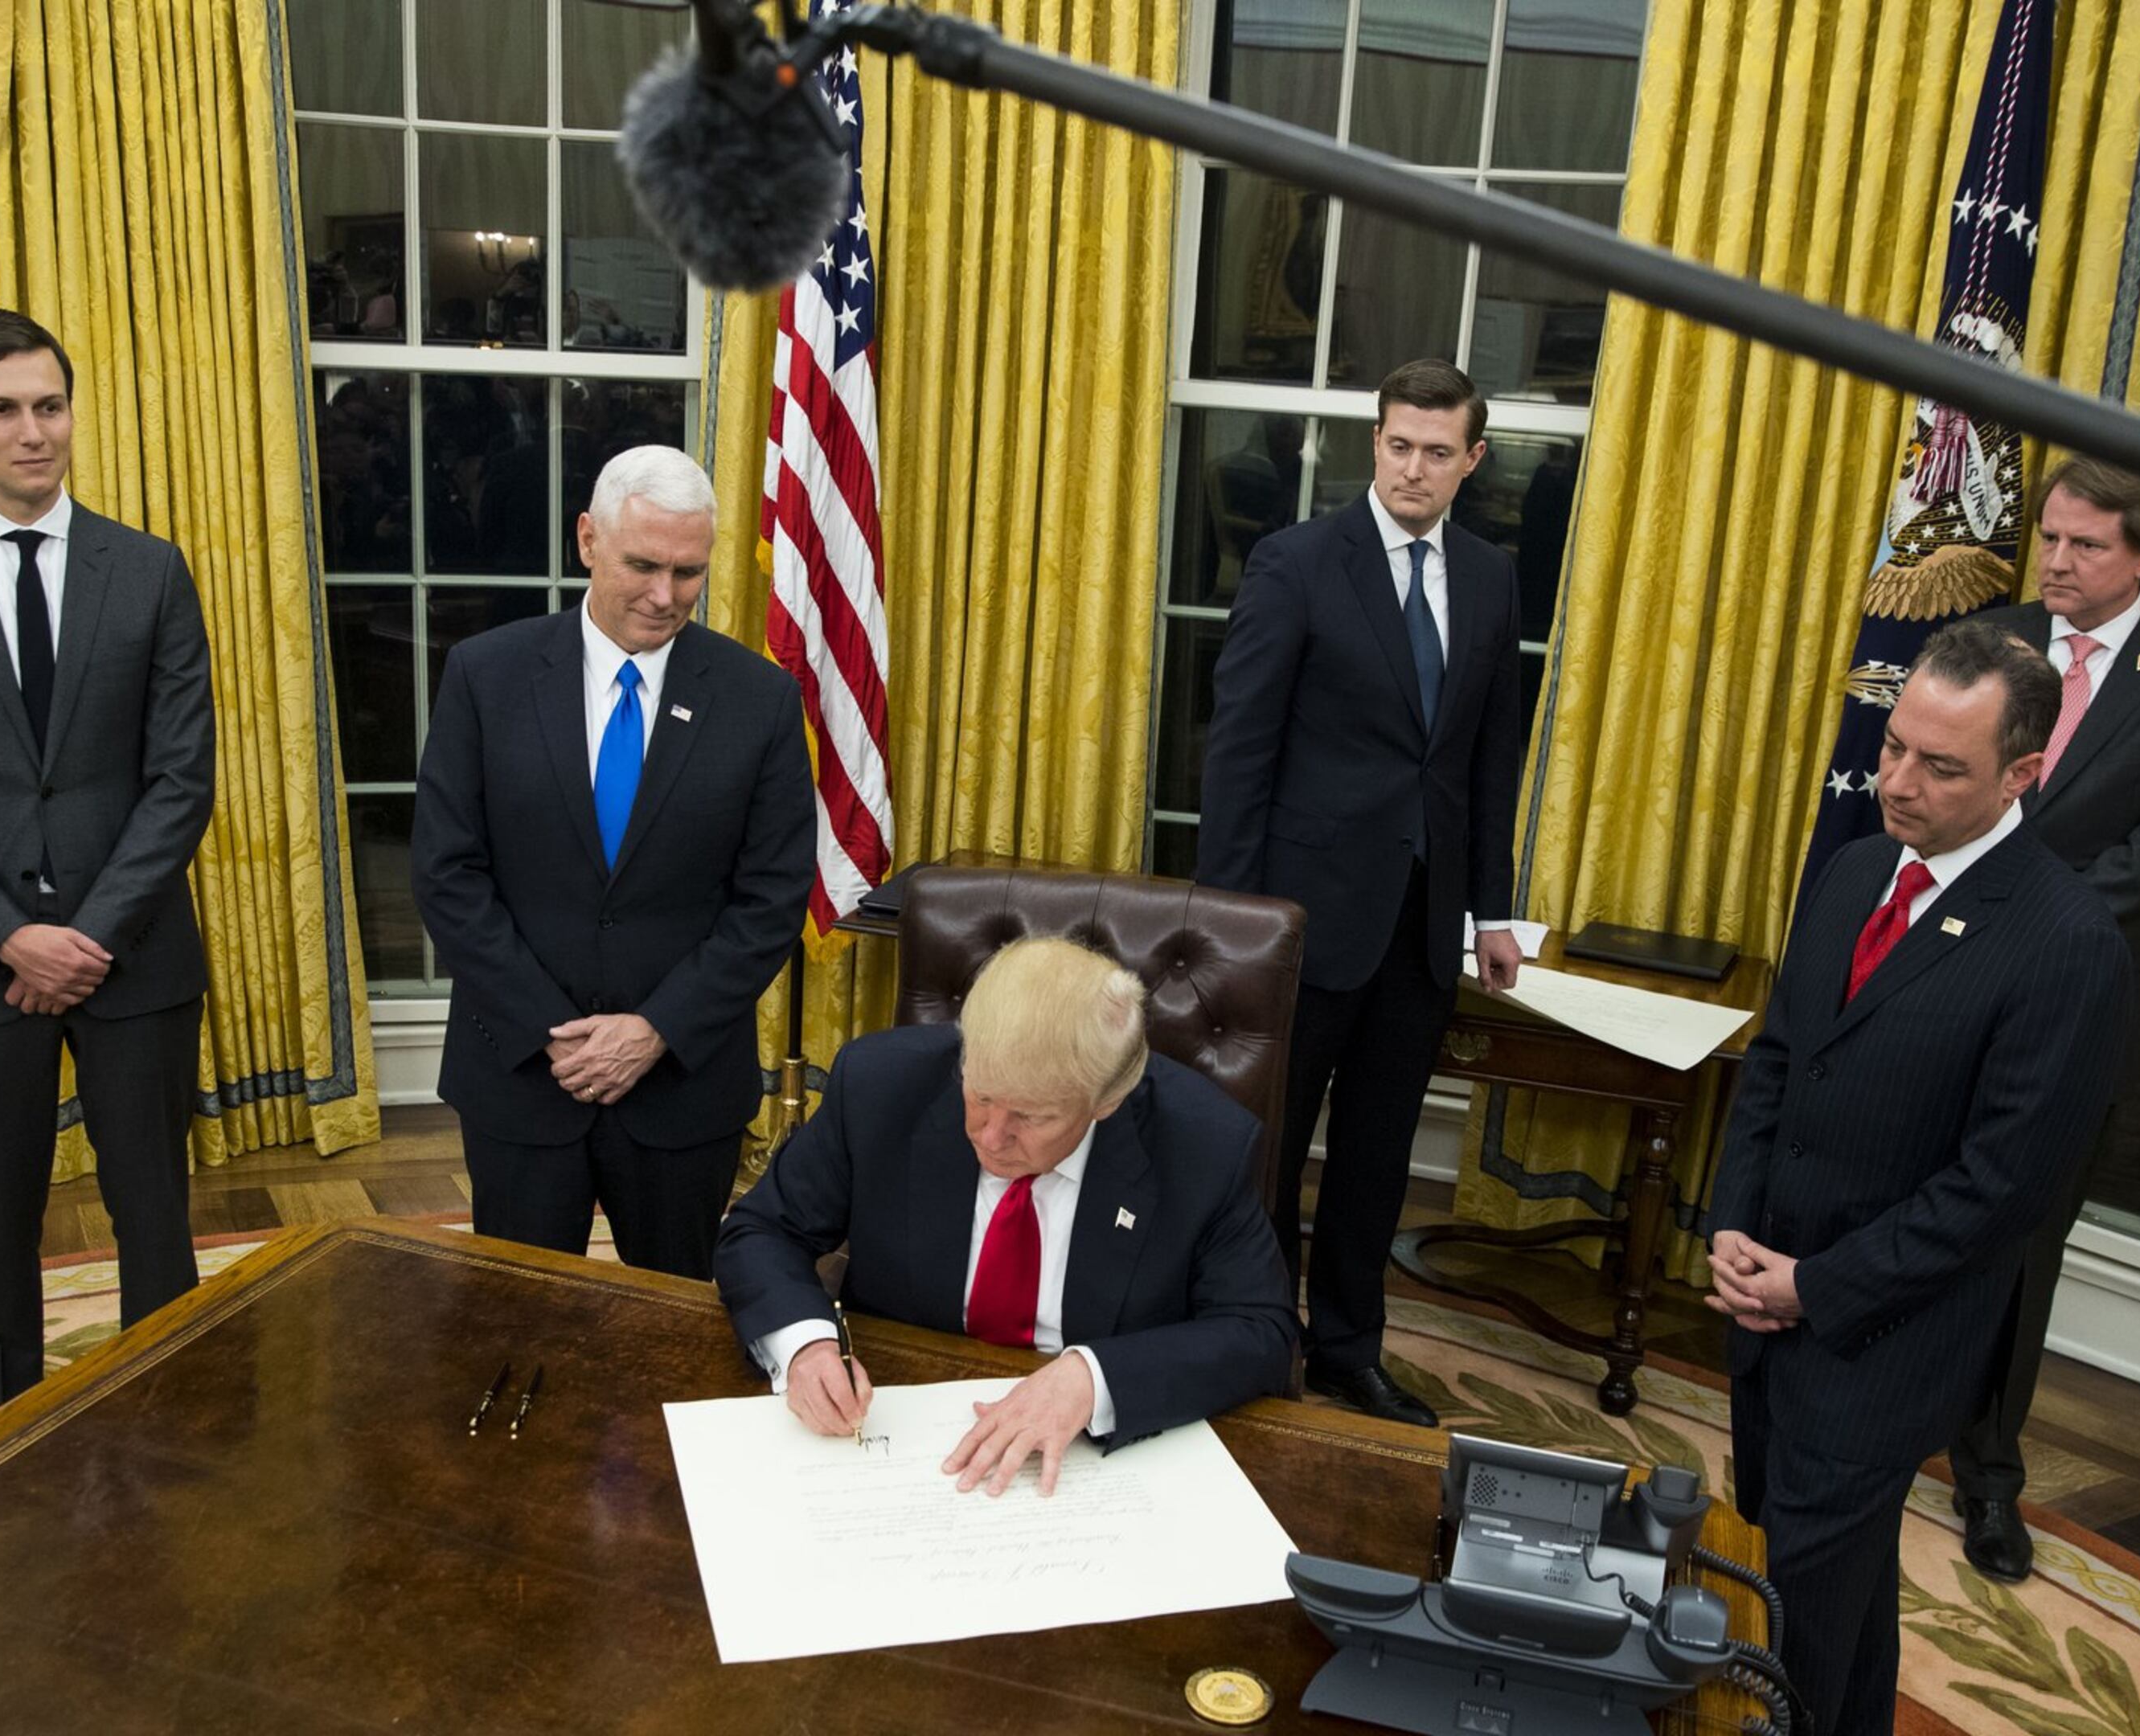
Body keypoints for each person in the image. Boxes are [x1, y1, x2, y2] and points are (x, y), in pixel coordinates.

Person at [1705, 620, 2133, 1736]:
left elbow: (2001, 1191)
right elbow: (1781, 1064)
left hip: (1883, 1343)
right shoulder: (1852, 870)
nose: (1896, 780)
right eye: (1894, 747)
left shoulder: (2068, 945)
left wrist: (1816, 1287)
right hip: (1770, 1307)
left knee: (1793, 1597)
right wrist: (1733, 1232)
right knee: (1821, 1576)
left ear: (2022, 775)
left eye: (1940, 767)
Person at [0, 309, 216, 1412]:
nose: (32, 432)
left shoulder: (150, 572)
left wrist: (88, 938)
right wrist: (11, 936)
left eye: (49, 406)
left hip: (136, 957)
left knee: (154, 1212)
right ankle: (8, 1424)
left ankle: (169, 1408)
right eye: (3, 409)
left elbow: (180, 781)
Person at [1193, 358, 1528, 1427]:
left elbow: (1487, 760)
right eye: (1398, 445)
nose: (1414, 468)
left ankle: (1349, 1348)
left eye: (1438, 451)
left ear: (1472, 460)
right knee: (1268, 1154)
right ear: (1372, 444)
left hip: (1421, 931)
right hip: (1299, 924)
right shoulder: (1295, 563)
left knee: (1377, 1159)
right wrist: (1228, 926)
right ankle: (1252, 1332)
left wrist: (1493, 912)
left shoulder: (1489, 576)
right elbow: (1237, 756)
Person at [1951, 457, 2140, 1581]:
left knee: (2026, 1241)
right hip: (1939, 976)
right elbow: (1937, 785)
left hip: (2077, 995)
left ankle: (1989, 1478)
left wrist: (2015, 920)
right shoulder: (1995, 635)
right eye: (2048, 536)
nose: (2056, 562)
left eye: (2084, 545)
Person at [412, 444, 813, 1279]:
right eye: (642, 565)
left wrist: (657, 1029)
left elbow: (770, 899)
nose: (665, 597)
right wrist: (553, 1034)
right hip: (522, 1076)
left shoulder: (760, 700)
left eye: (688, 572)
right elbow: (448, 874)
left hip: (682, 1089)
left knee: (679, 1335)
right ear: (587, 539)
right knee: (517, 1323)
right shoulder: (487, 676)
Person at [715, 937, 1299, 1496]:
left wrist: (1092, 1380)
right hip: (896, 1435)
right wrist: (805, 1345)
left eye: (1032, 1116)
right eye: (982, 1094)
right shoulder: (880, 1087)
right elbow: (764, 1230)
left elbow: (1261, 1332)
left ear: (1107, 1101)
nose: (992, 1137)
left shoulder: (1203, 1144)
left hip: (1090, 1465)